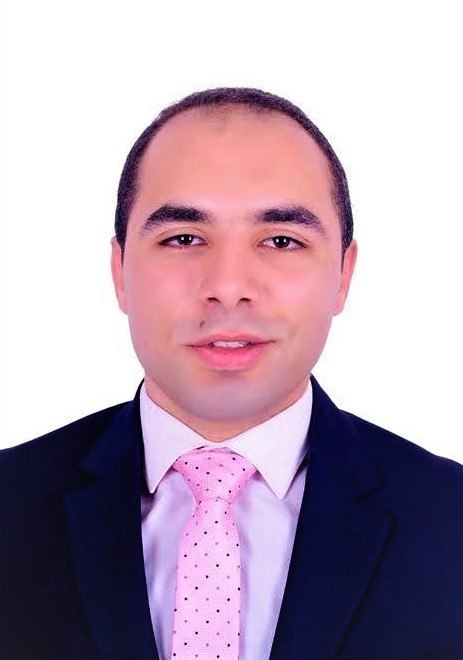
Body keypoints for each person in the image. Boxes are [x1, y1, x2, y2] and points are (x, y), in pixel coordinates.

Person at [1, 87, 462, 660]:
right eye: (184, 238)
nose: (228, 286)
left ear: (343, 274)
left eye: (281, 240)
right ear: (119, 271)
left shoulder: (450, 520)